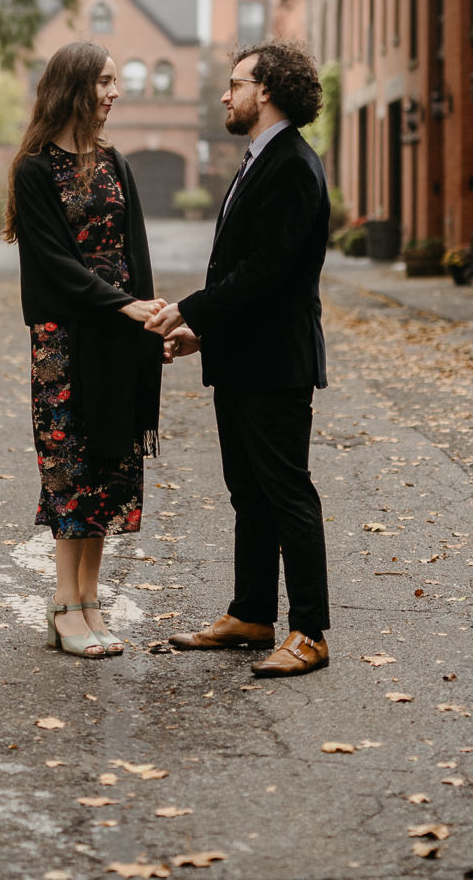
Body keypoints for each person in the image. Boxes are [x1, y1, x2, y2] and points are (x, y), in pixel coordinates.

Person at [147, 40, 333, 677]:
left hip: (277, 362)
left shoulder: (293, 166)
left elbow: (267, 271)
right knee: (248, 493)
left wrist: (194, 311)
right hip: (245, 356)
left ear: (269, 90)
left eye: (235, 84)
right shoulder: (261, 159)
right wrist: (208, 335)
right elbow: (248, 271)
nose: (225, 96)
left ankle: (310, 630)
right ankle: (253, 613)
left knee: (287, 492)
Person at [5, 41, 166, 659]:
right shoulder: (35, 171)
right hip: (65, 342)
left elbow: (135, 254)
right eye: (104, 81)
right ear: (73, 87)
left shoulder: (115, 163)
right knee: (70, 471)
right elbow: (54, 265)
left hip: (119, 341)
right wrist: (123, 305)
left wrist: (150, 321)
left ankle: (91, 602)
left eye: (115, 81)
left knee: (108, 470)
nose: (114, 93)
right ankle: (63, 606)